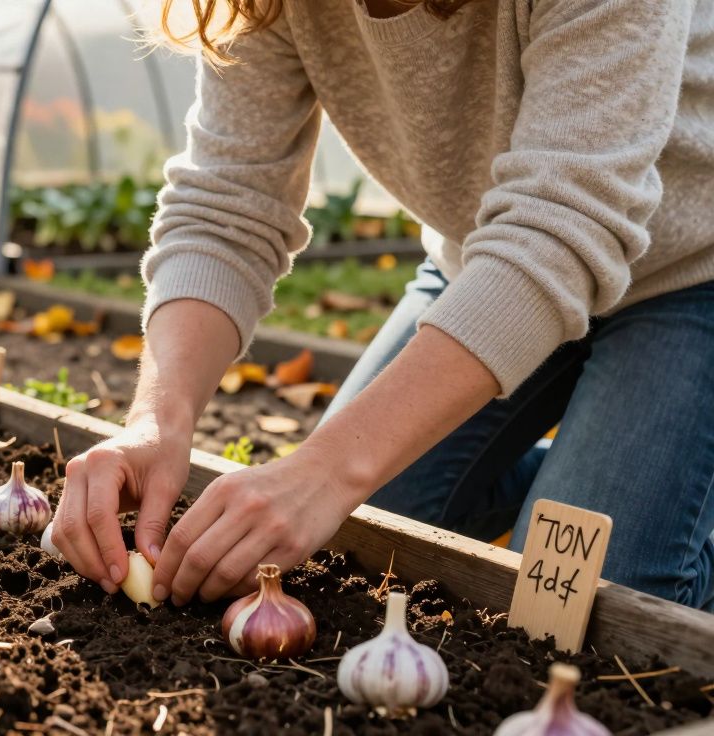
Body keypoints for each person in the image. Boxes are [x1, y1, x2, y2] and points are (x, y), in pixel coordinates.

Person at [50, 0, 714, 611]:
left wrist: (326, 470)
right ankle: (607, 472)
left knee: (578, 595)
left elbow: (565, 227)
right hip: (489, 262)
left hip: (692, 269)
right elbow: (227, 207)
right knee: (366, 524)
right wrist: (156, 420)